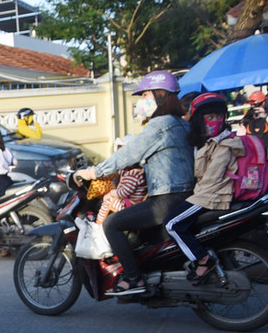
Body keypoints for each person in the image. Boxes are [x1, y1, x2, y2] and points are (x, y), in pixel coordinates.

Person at [76, 70, 194, 295]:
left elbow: (128, 154)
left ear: (160, 95)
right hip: (184, 194)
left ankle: (133, 278)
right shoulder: (181, 123)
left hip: (168, 198)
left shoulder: (159, 125)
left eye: (145, 95)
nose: (142, 101)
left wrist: (94, 172)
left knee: (112, 224)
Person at [163, 93, 242, 284]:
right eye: (210, 116)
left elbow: (211, 179)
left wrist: (193, 197)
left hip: (212, 195)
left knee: (171, 224)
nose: (215, 121)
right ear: (199, 119)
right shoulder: (206, 142)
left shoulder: (224, 144)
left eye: (219, 116)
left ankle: (203, 260)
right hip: (206, 193)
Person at [95, 135, 148, 224]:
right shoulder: (133, 171)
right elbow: (120, 176)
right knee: (110, 197)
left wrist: (112, 193)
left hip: (131, 206)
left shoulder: (133, 174)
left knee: (108, 200)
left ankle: (99, 223)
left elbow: (123, 193)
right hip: (132, 203)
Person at [237, 90, 268, 162]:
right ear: (263, 103)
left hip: (251, 155)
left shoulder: (246, 118)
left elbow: (240, 137)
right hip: (266, 154)